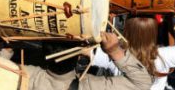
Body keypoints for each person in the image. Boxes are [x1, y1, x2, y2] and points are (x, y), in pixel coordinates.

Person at [91, 8, 175, 90]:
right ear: (154, 32)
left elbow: (85, 51)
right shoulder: (164, 56)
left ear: (126, 30)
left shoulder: (113, 53)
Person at [25, 32, 153, 90]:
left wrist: (6, 50)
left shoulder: (22, 76)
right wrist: (115, 51)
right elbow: (142, 84)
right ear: (80, 56)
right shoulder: (90, 87)